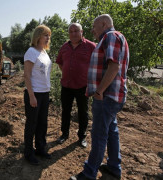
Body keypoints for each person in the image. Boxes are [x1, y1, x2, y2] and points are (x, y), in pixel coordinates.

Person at [71, 14, 129, 180]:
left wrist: (99, 91)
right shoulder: (114, 38)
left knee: (98, 134)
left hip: (106, 97)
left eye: (94, 26)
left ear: (104, 24)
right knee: (111, 130)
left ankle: (89, 173)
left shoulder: (110, 36)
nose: (92, 30)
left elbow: (114, 66)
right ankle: (113, 167)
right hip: (111, 95)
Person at [55, 23, 96, 148]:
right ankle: (64, 134)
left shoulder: (90, 46)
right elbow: (60, 62)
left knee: (83, 112)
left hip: (83, 86)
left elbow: (97, 64)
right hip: (66, 85)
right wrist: (68, 73)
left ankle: (82, 137)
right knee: (65, 111)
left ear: (82, 31)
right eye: (71, 31)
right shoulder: (65, 47)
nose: (73, 33)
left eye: (76, 31)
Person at [23, 25, 52, 165]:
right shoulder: (31, 52)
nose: (48, 38)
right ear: (38, 36)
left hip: (45, 93)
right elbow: (27, 76)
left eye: (48, 35)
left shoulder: (44, 53)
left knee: (42, 123)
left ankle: (40, 148)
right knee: (32, 124)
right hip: (34, 94)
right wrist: (31, 95)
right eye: (45, 35)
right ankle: (28, 153)